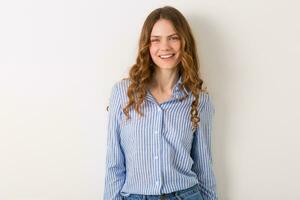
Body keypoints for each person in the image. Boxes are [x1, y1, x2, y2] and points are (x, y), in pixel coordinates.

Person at [103, 6, 218, 200]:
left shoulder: (199, 99)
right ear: (146, 46)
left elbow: (204, 167)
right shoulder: (122, 94)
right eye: (155, 40)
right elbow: (114, 165)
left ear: (184, 43)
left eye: (173, 38)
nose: (165, 47)